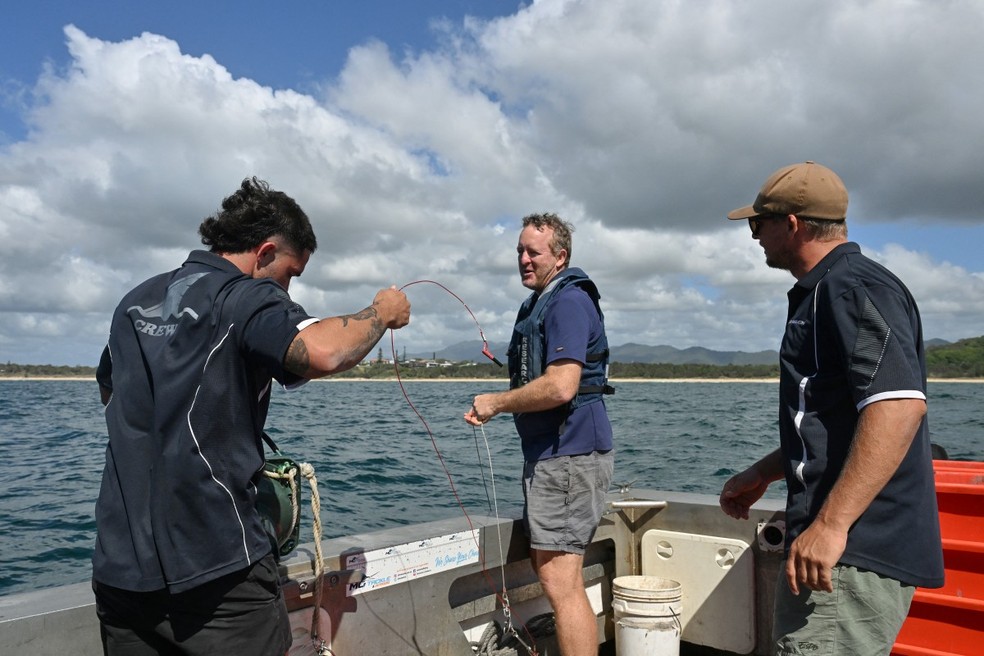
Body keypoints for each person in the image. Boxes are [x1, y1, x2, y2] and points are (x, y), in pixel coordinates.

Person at [93, 177, 411, 655]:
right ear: (264, 253)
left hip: (120, 566)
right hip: (217, 571)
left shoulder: (135, 302)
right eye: (290, 273)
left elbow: (109, 390)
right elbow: (323, 352)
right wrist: (381, 312)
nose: (288, 286)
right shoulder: (246, 297)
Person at [718, 162, 944, 655]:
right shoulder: (828, 290)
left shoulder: (849, 288)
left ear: (792, 223)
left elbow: (898, 407)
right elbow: (832, 418)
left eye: (759, 223)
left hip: (849, 553)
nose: (754, 235)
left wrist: (831, 525)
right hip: (834, 548)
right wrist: (764, 472)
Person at [464, 213, 614, 656]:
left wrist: (496, 402)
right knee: (553, 574)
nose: (524, 260)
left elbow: (562, 385)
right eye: (520, 252)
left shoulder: (567, 302)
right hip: (552, 456)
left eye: (534, 252)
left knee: (559, 582)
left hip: (569, 455)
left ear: (561, 256)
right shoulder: (541, 302)